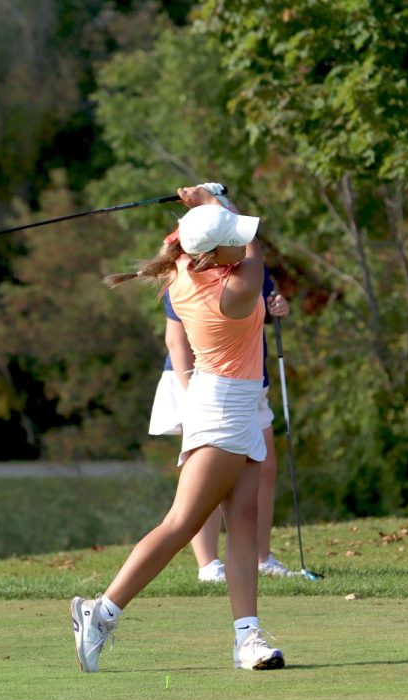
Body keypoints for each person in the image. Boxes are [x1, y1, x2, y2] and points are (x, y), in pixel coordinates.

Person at [71, 184, 285, 671]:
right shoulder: (237, 290)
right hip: (223, 409)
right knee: (182, 522)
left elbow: (196, 237)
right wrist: (211, 201)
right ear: (212, 257)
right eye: (229, 237)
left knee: (244, 524)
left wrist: (203, 205)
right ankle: (100, 612)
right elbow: (254, 251)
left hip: (233, 402)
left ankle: (246, 638)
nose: (239, 239)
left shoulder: (186, 267)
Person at [148, 277, 295, 580]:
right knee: (207, 476)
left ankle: (261, 557)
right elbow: (176, 342)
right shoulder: (186, 272)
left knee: (264, 467)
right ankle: (208, 565)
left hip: (249, 382)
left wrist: (278, 307)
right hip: (201, 384)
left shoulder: (249, 265)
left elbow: (261, 308)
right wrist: (192, 397)